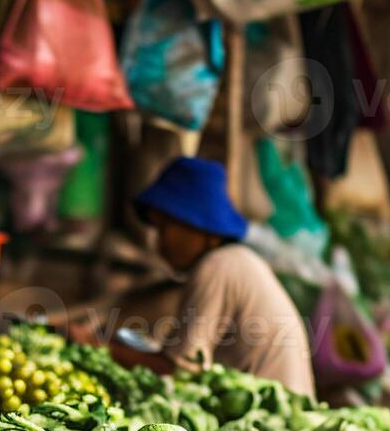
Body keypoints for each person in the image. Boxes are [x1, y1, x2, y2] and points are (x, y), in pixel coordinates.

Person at [77, 157, 315, 396]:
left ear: (205, 230)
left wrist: (95, 346)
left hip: (273, 425)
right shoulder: (236, 260)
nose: (159, 242)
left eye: (166, 228)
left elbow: (180, 371)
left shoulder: (220, 265)